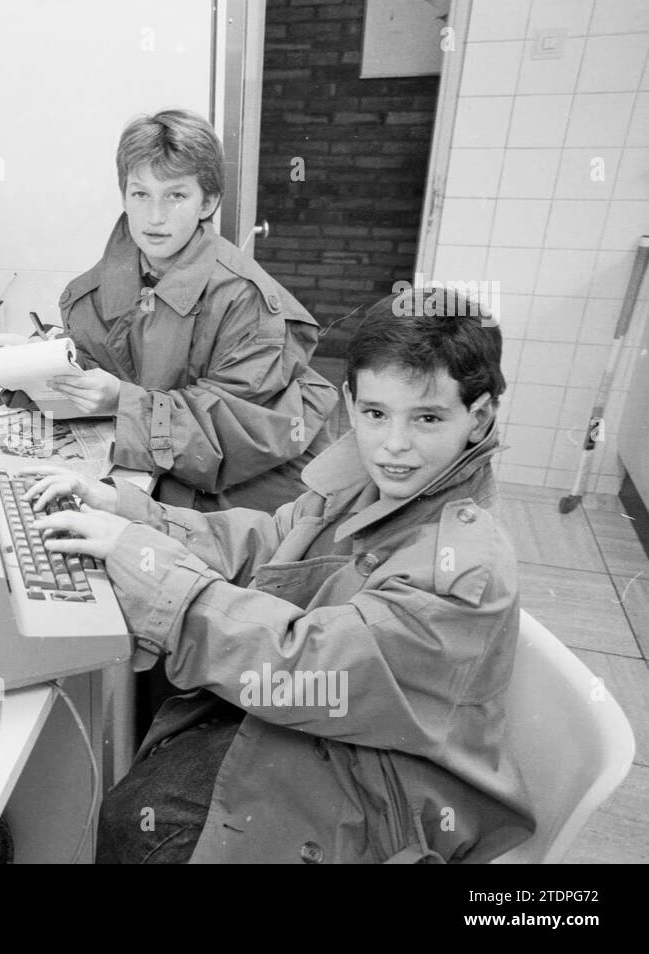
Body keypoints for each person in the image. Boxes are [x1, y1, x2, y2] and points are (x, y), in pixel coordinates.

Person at [26, 290, 535, 863]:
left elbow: (308, 671)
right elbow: (271, 545)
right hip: (340, 732)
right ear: (350, 402)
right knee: (136, 798)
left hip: (390, 790)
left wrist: (158, 579)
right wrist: (134, 514)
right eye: (375, 414)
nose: (394, 444)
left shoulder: (460, 568)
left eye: (427, 418)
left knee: (141, 827)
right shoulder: (373, 483)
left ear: (480, 417)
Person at [48, 108, 338, 515]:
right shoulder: (90, 293)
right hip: (160, 476)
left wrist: (123, 403)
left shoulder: (247, 301)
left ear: (209, 202)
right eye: (140, 194)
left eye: (176, 195)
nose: (155, 217)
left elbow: (225, 432)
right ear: (124, 196)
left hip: (246, 502)